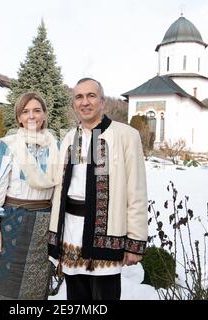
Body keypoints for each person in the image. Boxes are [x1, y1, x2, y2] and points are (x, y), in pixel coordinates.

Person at [47, 78, 148, 300]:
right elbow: (58, 184)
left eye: (91, 96)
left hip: (106, 236)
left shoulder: (125, 136)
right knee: (76, 298)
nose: (85, 102)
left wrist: (135, 242)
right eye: (79, 97)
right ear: (74, 104)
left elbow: (137, 191)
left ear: (102, 102)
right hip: (71, 234)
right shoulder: (69, 137)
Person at [0, 92, 59, 300]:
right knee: (4, 287)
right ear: (18, 117)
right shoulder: (9, 145)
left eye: (37, 110)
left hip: (43, 228)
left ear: (44, 114)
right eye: (25, 112)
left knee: (35, 289)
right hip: (11, 225)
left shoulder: (56, 146)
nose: (31, 116)